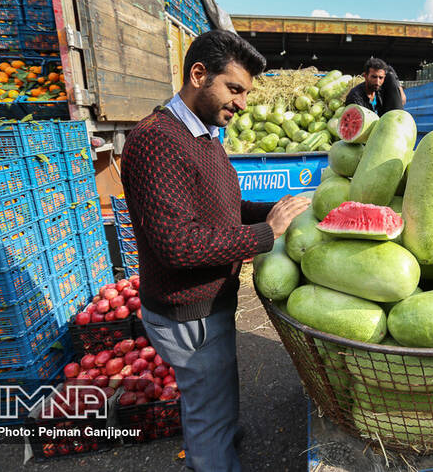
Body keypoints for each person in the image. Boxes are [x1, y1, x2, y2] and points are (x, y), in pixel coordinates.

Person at [121, 30, 310, 472]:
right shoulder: (156, 141)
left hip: (208, 305)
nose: (242, 102)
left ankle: (221, 434)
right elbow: (177, 244)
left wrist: (280, 210)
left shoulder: (203, 135)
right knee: (207, 412)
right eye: (235, 89)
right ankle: (212, 457)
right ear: (198, 75)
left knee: (215, 392)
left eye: (246, 92)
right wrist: (267, 233)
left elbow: (224, 210)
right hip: (188, 312)